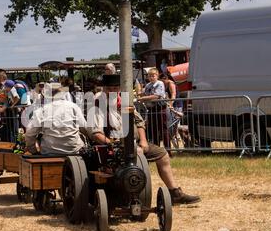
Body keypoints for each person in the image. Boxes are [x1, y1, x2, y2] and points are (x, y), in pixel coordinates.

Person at [88, 74, 200, 205]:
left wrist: (143, 141)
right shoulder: (97, 105)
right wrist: (113, 144)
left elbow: (139, 122)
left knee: (162, 154)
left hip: (133, 143)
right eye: (110, 88)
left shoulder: (124, 101)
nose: (113, 91)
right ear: (104, 89)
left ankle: (174, 192)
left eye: (115, 88)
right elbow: (96, 133)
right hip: (112, 146)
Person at [25, 83, 87, 155]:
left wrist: (33, 150)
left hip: (49, 152)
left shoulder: (41, 111)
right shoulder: (73, 107)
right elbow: (85, 128)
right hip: (74, 151)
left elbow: (29, 134)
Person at [138, 68, 170, 148]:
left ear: (157, 76)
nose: (151, 77)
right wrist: (139, 93)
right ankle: (157, 150)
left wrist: (143, 98)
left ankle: (168, 150)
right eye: (149, 76)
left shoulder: (160, 83)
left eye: (153, 75)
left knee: (163, 130)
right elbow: (144, 93)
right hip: (151, 110)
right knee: (154, 130)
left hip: (160, 109)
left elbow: (156, 96)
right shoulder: (148, 85)